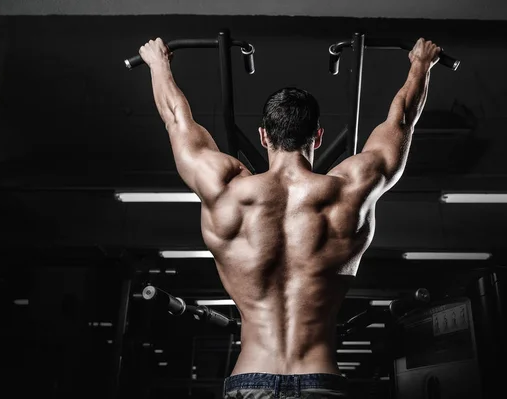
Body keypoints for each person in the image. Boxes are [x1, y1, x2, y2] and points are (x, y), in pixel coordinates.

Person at [139, 36, 440, 399]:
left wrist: (159, 64)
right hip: (320, 381)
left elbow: (176, 120)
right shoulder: (350, 190)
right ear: (318, 134)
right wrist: (421, 65)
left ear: (264, 136)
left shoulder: (225, 190)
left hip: (250, 379)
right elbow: (403, 120)